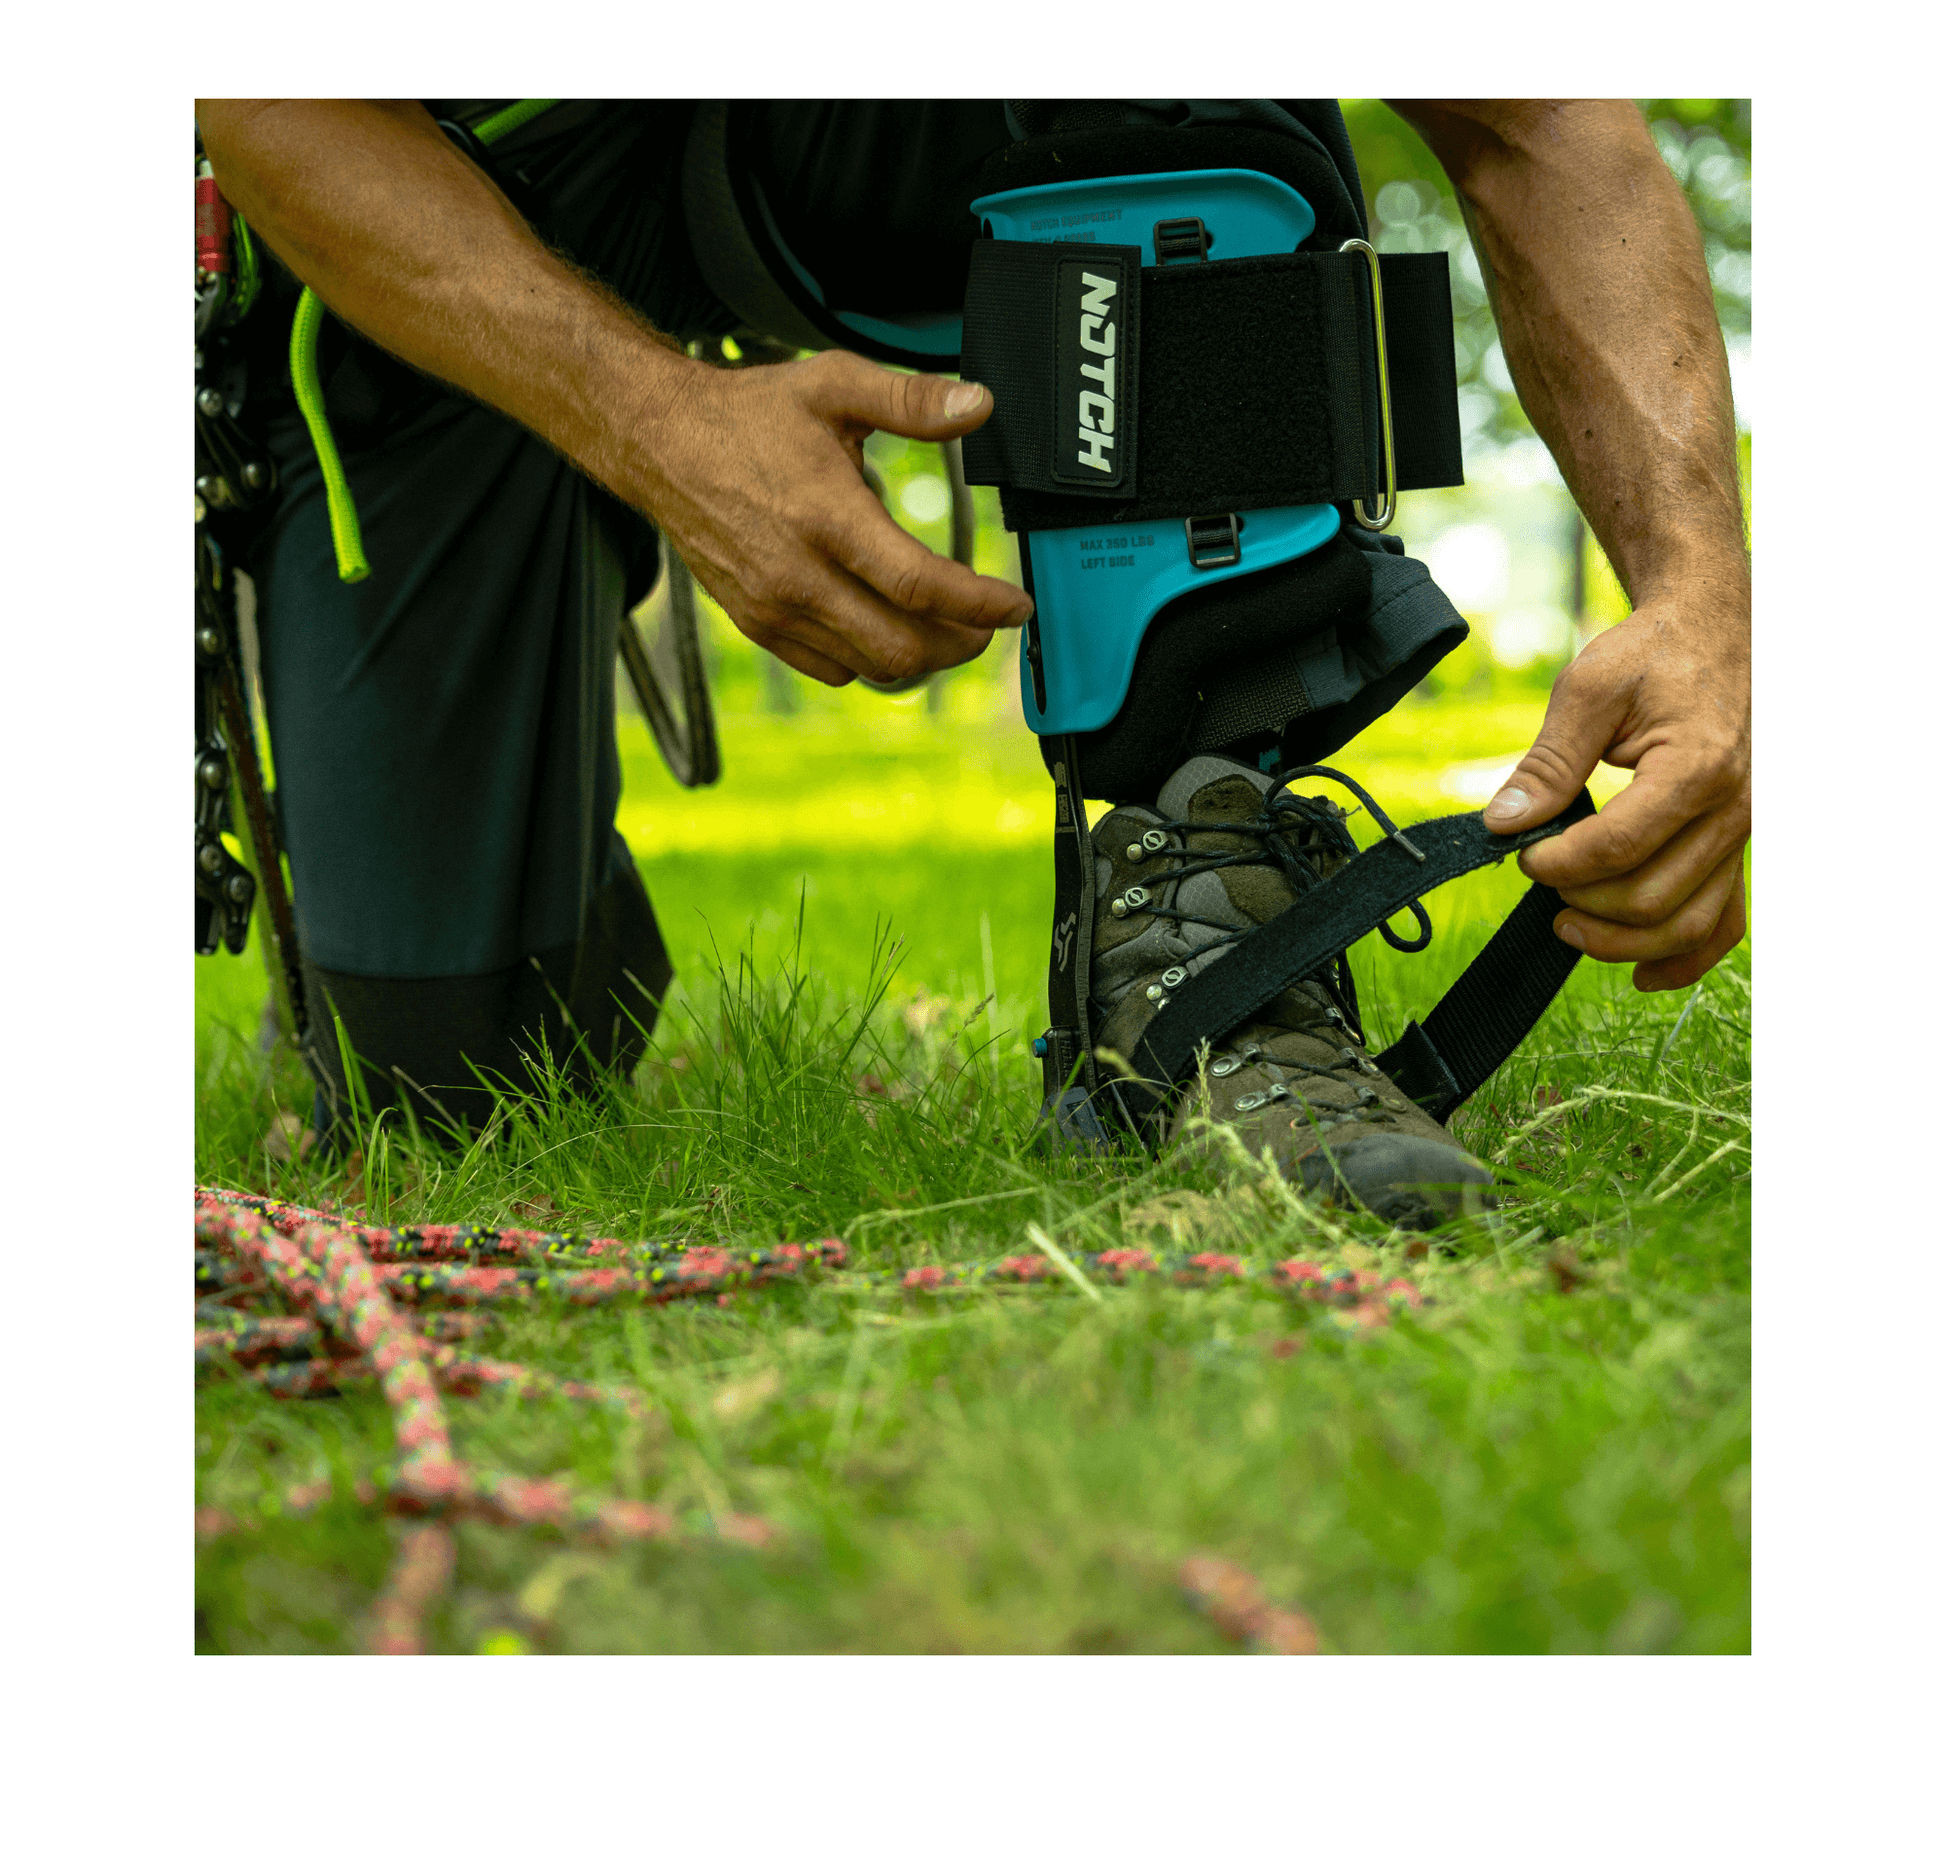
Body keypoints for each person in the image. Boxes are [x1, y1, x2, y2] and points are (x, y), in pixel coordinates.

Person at [195, 99, 1749, 1213]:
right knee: (444, 1083)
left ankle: (1201, 910)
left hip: (909, 120)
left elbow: (1538, 111)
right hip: (475, 153)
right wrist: (651, 423)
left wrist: (1697, 597)